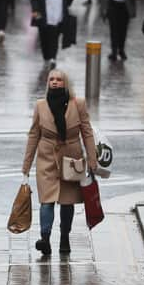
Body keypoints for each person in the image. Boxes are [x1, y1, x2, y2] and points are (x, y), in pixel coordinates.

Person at [21, 69, 97, 255]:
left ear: (66, 83)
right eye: (51, 79)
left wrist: (92, 158)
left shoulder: (77, 104)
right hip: (46, 158)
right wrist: (26, 165)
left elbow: (87, 132)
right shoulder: (40, 105)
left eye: (59, 79)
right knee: (47, 200)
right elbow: (33, 135)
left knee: (67, 201)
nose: (54, 82)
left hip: (71, 157)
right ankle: (45, 239)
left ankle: (64, 237)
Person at [30, 0, 77, 68]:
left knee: (54, 37)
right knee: (44, 37)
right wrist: (35, 10)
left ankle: (53, 58)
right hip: (44, 15)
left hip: (58, 15)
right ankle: (46, 57)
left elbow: (68, 2)